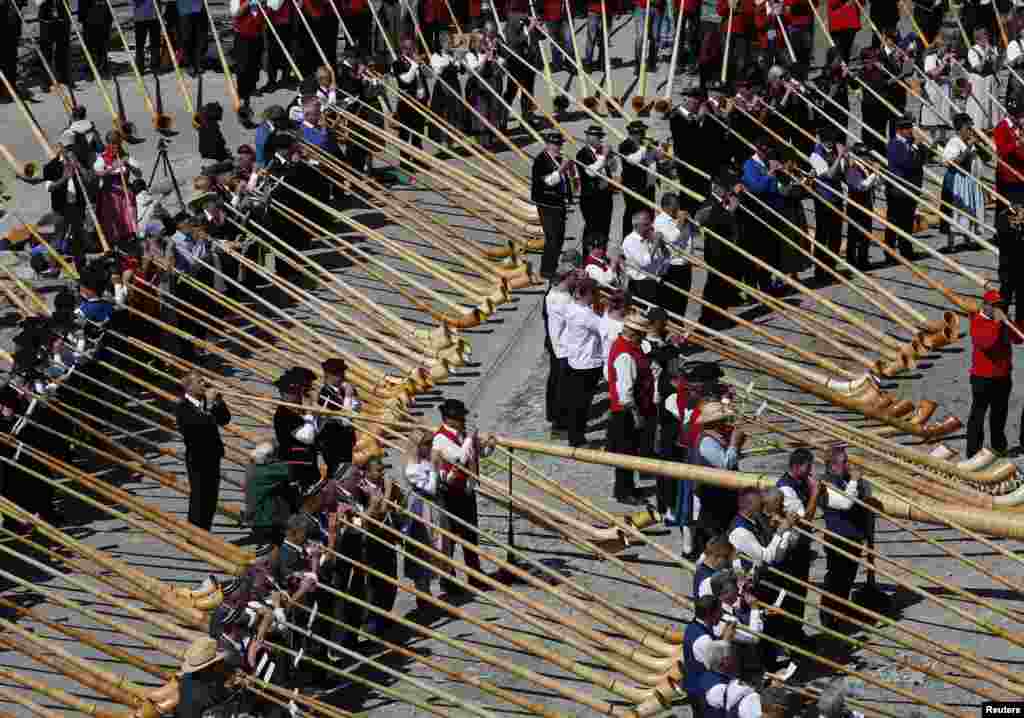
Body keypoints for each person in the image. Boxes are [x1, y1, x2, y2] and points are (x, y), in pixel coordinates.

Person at [432, 398, 496, 594]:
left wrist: (488, 446)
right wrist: (470, 440)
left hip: (466, 490)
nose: (463, 421)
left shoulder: (462, 435)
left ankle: (474, 574)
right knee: (450, 536)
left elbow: (477, 454)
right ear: (449, 420)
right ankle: (447, 577)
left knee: (470, 533)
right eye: (460, 418)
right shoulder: (440, 439)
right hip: (450, 492)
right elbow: (459, 457)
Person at [606, 313, 656, 504]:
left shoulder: (621, 346)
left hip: (627, 409)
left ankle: (628, 488)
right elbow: (625, 390)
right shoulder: (626, 354)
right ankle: (624, 492)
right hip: (627, 411)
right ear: (634, 334)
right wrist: (636, 415)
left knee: (629, 451)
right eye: (641, 334)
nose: (643, 338)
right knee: (625, 453)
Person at [967, 289, 1024, 457]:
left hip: (1003, 376)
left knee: (999, 414)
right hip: (982, 378)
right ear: (985, 306)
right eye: (995, 305)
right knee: (978, 415)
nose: (999, 308)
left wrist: (1012, 323)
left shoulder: (1002, 321)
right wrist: (1000, 324)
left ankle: (999, 448)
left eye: (1001, 305)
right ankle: (973, 451)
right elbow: (987, 344)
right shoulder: (977, 321)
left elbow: (1018, 339)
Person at [775, 448, 820, 646]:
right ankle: (791, 636)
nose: (811, 470)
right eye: (807, 466)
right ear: (796, 466)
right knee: (792, 592)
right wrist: (815, 493)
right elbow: (806, 520)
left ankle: (796, 631)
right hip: (791, 549)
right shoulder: (786, 489)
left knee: (801, 590)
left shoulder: (801, 482)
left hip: (801, 545)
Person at [175, 372, 231, 531]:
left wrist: (218, 403)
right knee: (199, 497)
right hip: (197, 458)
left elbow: (225, 419)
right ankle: (194, 533)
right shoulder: (182, 407)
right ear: (189, 387)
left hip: (213, 455)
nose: (204, 384)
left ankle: (205, 530)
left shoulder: (207, 401)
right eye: (199, 382)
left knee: (212, 497)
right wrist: (211, 405)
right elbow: (198, 425)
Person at [819, 445, 866, 631]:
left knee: (848, 579)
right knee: (835, 580)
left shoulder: (844, 480)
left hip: (853, 538)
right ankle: (828, 618)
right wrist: (854, 481)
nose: (848, 464)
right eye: (844, 461)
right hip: (838, 539)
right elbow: (846, 503)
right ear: (833, 465)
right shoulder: (826, 483)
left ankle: (840, 614)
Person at [561, 277, 605, 448]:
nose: (595, 297)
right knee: (582, 404)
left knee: (575, 401)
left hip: (574, 359)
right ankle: (577, 439)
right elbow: (603, 328)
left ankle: (573, 433)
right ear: (586, 294)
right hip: (587, 363)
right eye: (593, 294)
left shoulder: (571, 307)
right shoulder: (586, 315)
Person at [940, 113, 989, 253]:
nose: (970, 131)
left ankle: (968, 239)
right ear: (960, 128)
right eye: (968, 128)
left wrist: (981, 145)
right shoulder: (954, 142)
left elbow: (987, 158)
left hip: (971, 182)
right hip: (957, 181)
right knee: (956, 210)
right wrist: (969, 147)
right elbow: (953, 162)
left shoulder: (970, 142)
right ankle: (951, 243)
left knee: (970, 210)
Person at [807, 126, 847, 282]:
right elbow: (829, 174)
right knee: (823, 234)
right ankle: (820, 270)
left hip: (837, 197)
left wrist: (844, 157)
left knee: (836, 234)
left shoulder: (835, 151)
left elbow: (842, 172)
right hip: (823, 199)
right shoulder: (815, 155)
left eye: (833, 140)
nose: (831, 143)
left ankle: (832, 268)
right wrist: (840, 157)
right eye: (829, 141)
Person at [531, 132, 572, 280]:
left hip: (558, 203)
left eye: (559, 144)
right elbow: (548, 181)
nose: (557, 147)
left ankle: (553, 267)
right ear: (547, 144)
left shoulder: (558, 159)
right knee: (552, 238)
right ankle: (547, 271)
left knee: (559, 238)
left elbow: (565, 181)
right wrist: (562, 169)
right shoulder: (541, 160)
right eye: (554, 144)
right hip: (547, 204)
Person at [273, 366, 320, 490]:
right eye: (303, 391)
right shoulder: (283, 414)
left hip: (308, 465)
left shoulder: (299, 411)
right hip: (297, 469)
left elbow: (315, 432)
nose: (303, 396)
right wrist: (310, 413)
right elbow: (307, 437)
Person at [886, 117, 926, 260]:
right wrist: (915, 146)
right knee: (894, 222)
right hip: (898, 189)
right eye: (907, 129)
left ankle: (906, 251)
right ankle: (889, 252)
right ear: (899, 130)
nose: (910, 131)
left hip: (912, 187)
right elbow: (906, 163)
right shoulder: (894, 144)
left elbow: (921, 160)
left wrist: (920, 146)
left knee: (907, 222)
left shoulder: (909, 143)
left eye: (911, 128)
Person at [544, 264, 577, 434]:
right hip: (564, 349)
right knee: (563, 390)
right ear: (567, 277)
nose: (576, 279)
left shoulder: (554, 293)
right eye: (574, 276)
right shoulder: (562, 299)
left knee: (558, 385)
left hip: (560, 347)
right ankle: (560, 425)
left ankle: (557, 418)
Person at [94, 130, 142, 246]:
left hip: (125, 194)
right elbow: (98, 173)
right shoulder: (102, 158)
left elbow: (139, 174)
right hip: (110, 194)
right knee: (112, 223)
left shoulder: (126, 157)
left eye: (117, 142)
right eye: (112, 143)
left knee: (128, 221)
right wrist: (113, 167)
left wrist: (127, 164)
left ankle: (131, 239)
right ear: (108, 143)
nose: (115, 145)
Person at [393, 36, 430, 181]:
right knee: (404, 135)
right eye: (407, 48)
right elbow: (405, 80)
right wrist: (415, 65)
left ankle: (417, 159)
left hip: (420, 102)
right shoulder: (397, 63)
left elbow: (429, 75)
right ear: (402, 49)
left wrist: (423, 65)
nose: (411, 51)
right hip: (406, 104)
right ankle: (404, 163)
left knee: (418, 133)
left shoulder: (417, 62)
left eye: (412, 48)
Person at [317, 358, 359, 480]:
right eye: (337, 374)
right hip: (332, 441)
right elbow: (345, 416)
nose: (341, 377)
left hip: (346, 438)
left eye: (342, 373)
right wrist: (348, 397)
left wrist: (351, 397)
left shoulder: (344, 389)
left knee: (347, 470)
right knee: (337, 473)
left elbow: (357, 409)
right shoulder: (325, 394)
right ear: (328, 375)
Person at [177, 637, 241, 718]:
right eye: (219, 662)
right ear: (211, 666)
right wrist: (233, 687)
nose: (221, 663)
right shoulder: (205, 695)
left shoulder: (187, 677)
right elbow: (221, 697)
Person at [618, 121, 661, 241]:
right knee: (634, 216)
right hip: (633, 188)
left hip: (648, 187)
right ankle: (628, 241)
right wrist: (644, 149)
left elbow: (654, 160)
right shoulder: (625, 145)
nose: (643, 134)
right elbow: (632, 160)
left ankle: (647, 239)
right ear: (635, 133)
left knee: (649, 215)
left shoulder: (643, 144)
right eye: (641, 132)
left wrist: (656, 150)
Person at [653, 193, 693, 318]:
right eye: (676, 206)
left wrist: (689, 222)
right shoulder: (660, 221)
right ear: (667, 207)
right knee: (671, 301)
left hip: (685, 263)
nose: (678, 209)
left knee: (683, 301)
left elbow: (691, 236)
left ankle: (679, 326)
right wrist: (680, 222)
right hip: (672, 266)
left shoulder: (680, 218)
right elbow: (672, 239)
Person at [699, 640, 762, 718]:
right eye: (733, 655)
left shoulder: (717, 674)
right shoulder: (715, 686)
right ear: (724, 660)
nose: (736, 657)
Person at [577, 125, 617, 247]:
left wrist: (611, 158)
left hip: (605, 195)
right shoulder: (582, 154)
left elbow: (614, 169)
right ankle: (587, 258)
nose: (600, 139)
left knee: (605, 229)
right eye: (596, 136)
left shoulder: (601, 153)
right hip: (591, 198)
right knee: (592, 230)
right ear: (588, 137)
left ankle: (601, 255)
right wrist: (604, 156)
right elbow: (590, 172)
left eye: (600, 137)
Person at [621, 210, 670, 305]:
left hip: (655, 281)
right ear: (636, 225)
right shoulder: (630, 241)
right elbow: (644, 262)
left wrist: (662, 245)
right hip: (641, 285)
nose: (650, 227)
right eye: (646, 224)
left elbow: (665, 257)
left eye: (650, 223)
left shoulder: (649, 238)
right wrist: (656, 243)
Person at [843, 144, 879, 270]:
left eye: (866, 155)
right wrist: (874, 174)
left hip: (867, 204)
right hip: (856, 206)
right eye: (863, 156)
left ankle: (863, 260)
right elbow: (861, 186)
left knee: (866, 234)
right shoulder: (853, 168)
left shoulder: (866, 168)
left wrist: (876, 175)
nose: (866, 158)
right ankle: (851, 261)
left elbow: (875, 184)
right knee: (854, 234)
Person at [682, 594, 723, 704]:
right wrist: (726, 640)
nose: (722, 615)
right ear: (710, 614)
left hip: (697, 687)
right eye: (720, 611)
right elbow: (720, 666)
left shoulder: (693, 626)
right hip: (704, 693)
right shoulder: (703, 640)